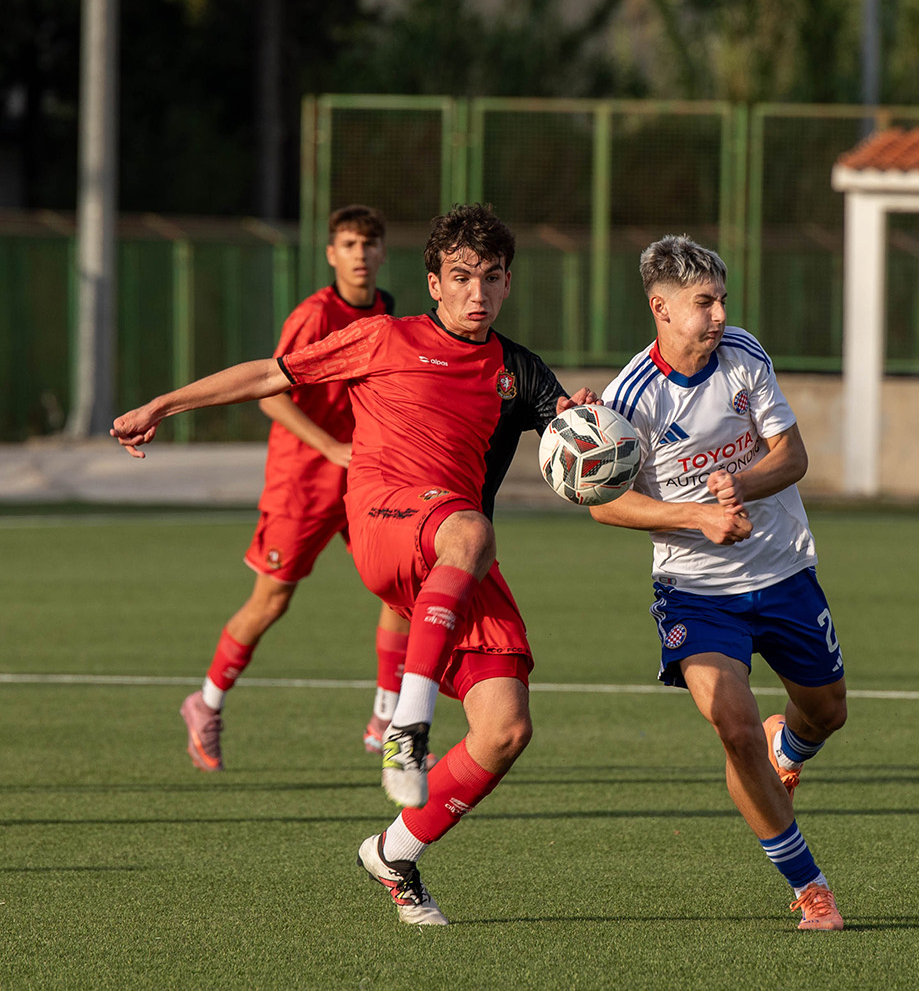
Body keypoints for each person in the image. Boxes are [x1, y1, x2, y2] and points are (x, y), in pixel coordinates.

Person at [113, 204, 593, 924]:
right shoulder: (380, 337)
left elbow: (577, 438)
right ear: (433, 282)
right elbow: (267, 377)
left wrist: (587, 423)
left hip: (450, 556)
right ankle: (406, 723)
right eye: (461, 277)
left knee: (505, 728)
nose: (476, 294)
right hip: (385, 521)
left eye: (491, 279)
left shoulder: (517, 371)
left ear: (507, 285)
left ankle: (394, 852)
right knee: (466, 530)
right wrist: (164, 403)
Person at [590, 235, 847, 932]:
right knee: (732, 726)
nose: (717, 313)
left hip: (783, 570)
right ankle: (809, 886)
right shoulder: (629, 399)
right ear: (661, 308)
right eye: (703, 302)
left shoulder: (744, 354)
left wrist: (742, 483)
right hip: (695, 593)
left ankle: (787, 750)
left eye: (720, 299)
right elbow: (603, 501)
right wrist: (694, 516)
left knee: (826, 713)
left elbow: (790, 456)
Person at [178, 205, 411, 772]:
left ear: (382, 253)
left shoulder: (387, 310)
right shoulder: (314, 314)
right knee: (271, 600)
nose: (360, 253)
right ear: (332, 254)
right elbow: (269, 393)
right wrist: (330, 447)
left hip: (363, 480)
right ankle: (205, 703)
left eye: (369, 243)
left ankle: (386, 718)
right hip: (302, 483)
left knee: (401, 586)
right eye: (349, 244)